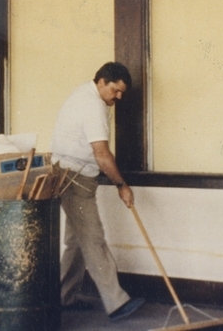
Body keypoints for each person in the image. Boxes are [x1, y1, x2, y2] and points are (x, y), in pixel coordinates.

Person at [51, 62, 145, 322]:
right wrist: (121, 186)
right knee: (93, 238)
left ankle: (61, 298)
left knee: (77, 243)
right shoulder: (93, 106)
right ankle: (116, 302)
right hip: (75, 179)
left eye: (122, 92)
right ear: (102, 82)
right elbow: (102, 154)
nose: (119, 97)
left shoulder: (85, 94)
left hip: (70, 174)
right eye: (115, 90)